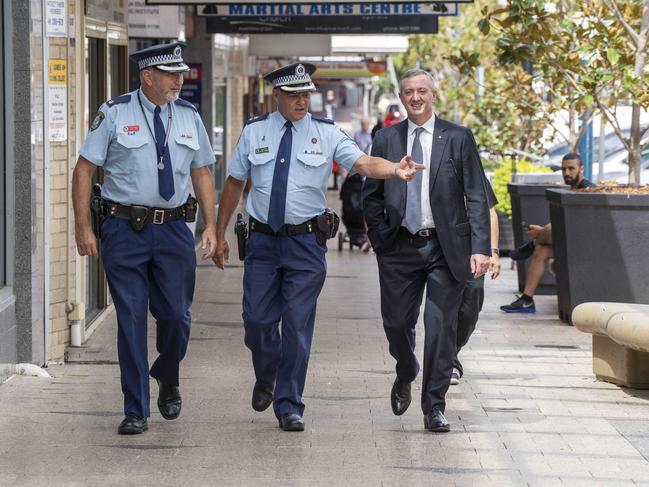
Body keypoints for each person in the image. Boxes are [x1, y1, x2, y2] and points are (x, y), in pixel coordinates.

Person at [213, 63, 423, 432]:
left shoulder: (327, 133)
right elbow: (234, 183)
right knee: (257, 322)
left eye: (306, 94)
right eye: (294, 94)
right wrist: (218, 231)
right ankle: (267, 374)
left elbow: (362, 162)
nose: (301, 101)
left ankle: (290, 402)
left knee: (296, 325)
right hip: (262, 241)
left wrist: (394, 169)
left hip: (305, 245)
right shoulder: (254, 131)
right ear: (275, 95)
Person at [72, 43, 217, 435]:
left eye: (181, 73)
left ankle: (167, 374)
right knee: (132, 319)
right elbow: (85, 169)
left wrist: (211, 224)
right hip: (124, 229)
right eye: (171, 74)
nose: (180, 80)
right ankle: (135, 408)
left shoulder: (188, 116)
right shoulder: (114, 113)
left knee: (175, 316)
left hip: (174, 230)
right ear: (147, 76)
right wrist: (83, 226)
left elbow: (202, 171)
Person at [362, 68, 491, 433]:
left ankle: (434, 405)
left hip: (445, 249)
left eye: (421, 91)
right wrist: (381, 238)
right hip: (399, 246)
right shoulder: (386, 138)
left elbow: (477, 196)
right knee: (397, 323)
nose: (415, 98)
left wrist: (481, 248)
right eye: (408, 92)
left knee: (440, 327)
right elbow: (370, 193)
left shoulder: (458, 137)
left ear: (433, 94)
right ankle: (406, 369)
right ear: (401, 97)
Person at [501, 153, 596, 313]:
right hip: (573, 243)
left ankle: (533, 242)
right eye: (564, 169)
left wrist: (542, 232)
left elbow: (581, 229)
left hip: (589, 248)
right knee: (541, 250)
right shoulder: (573, 189)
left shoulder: (587, 190)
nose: (566, 173)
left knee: (551, 230)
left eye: (571, 169)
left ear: (581, 169)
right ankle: (527, 300)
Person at [451, 194, 501, 385]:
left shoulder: (472, 169)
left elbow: (490, 213)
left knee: (470, 310)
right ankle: (448, 362)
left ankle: (451, 353)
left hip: (475, 251)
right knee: (445, 308)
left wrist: (494, 252)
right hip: (443, 248)